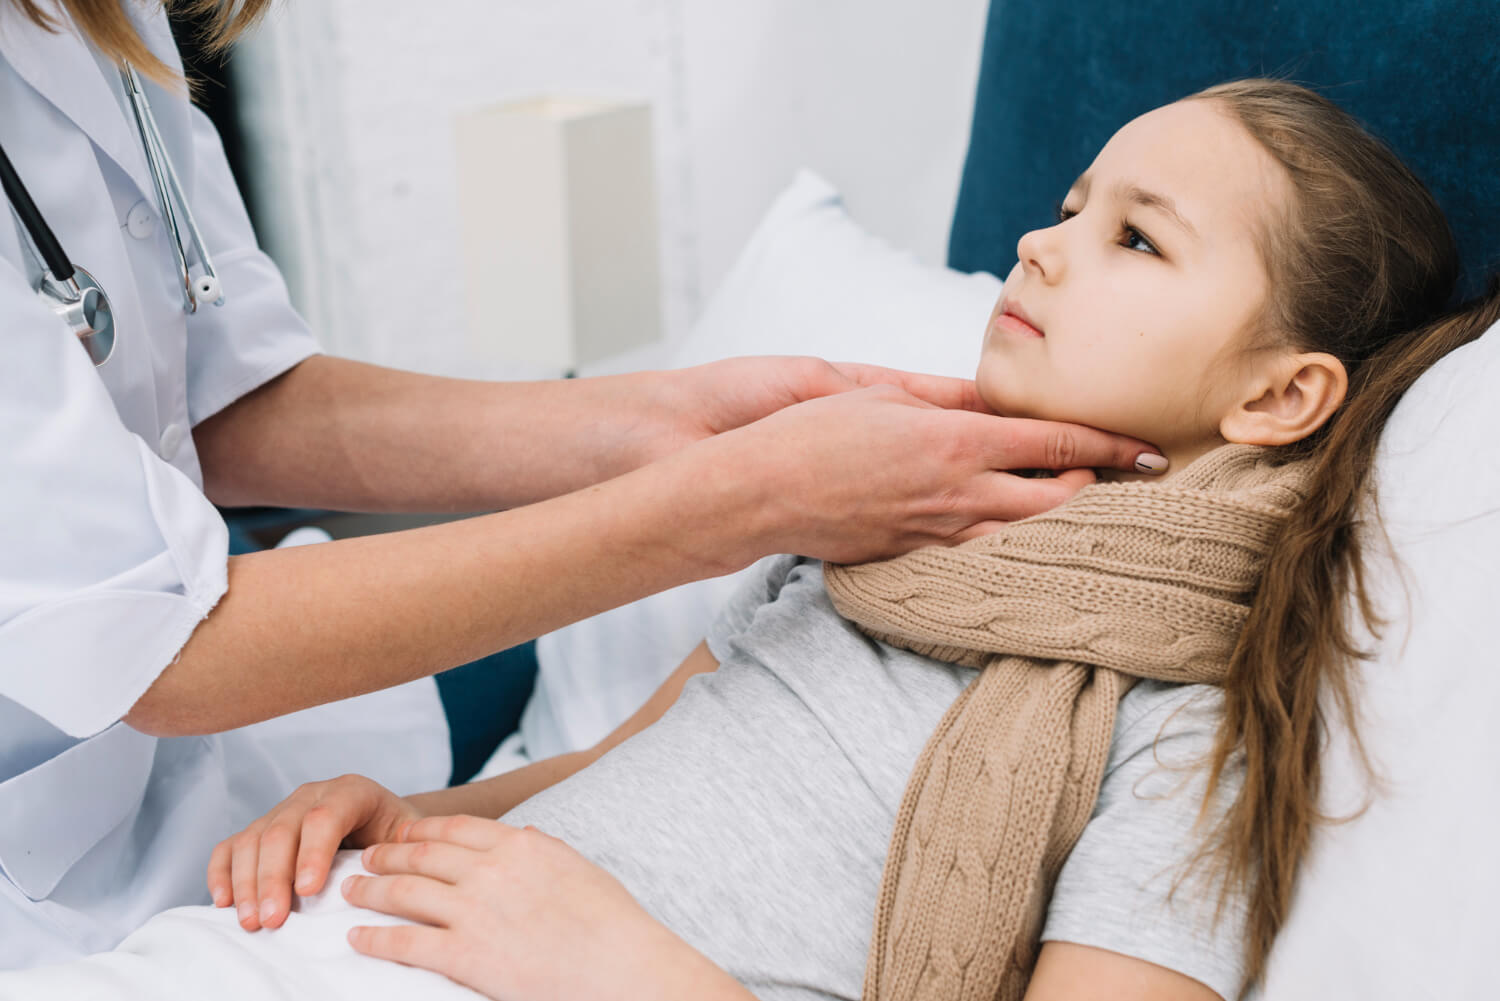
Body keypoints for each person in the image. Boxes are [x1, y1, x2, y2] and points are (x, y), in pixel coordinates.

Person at [6, 79, 1492, 1001]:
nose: (1041, 242)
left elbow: (230, 403)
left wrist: (625, 973)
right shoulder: (871, 538)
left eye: (1136, 237)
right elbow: (617, 773)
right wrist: (411, 817)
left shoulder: (1192, 732)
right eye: (1068, 203)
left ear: (1281, 393)